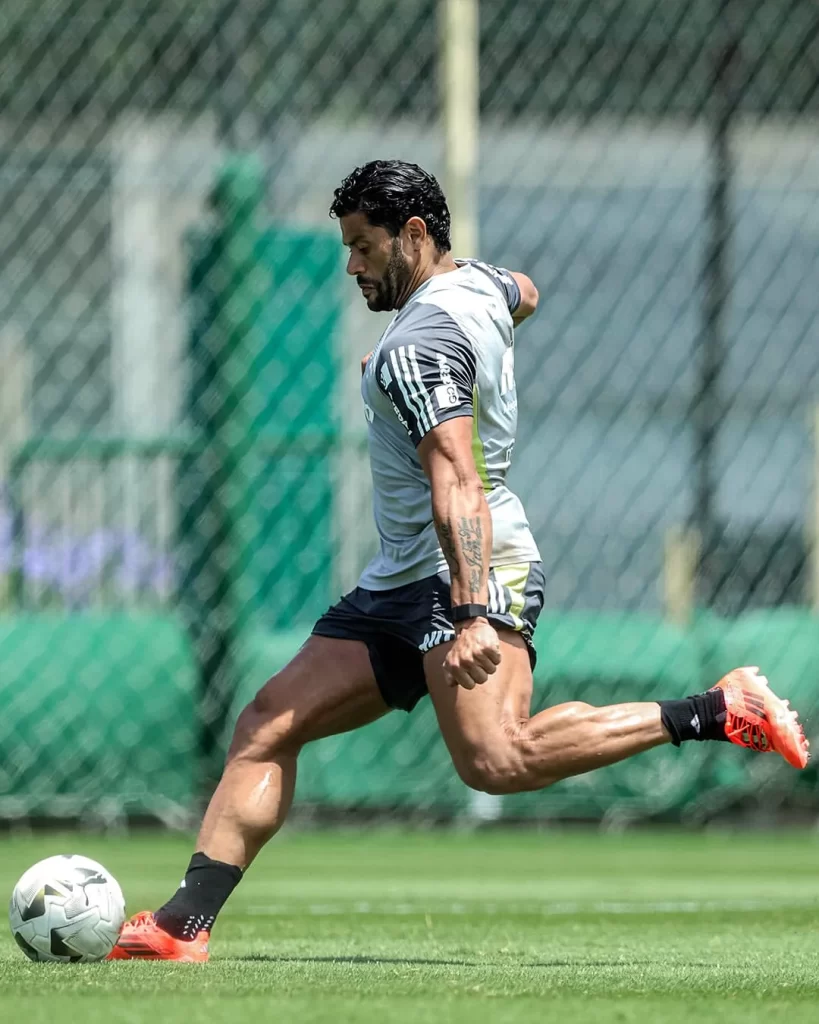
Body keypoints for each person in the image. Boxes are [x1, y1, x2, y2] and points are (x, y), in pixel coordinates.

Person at [109, 160, 809, 962]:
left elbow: (459, 482)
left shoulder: (415, 347)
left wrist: (473, 608)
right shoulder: (476, 284)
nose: (350, 266)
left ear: (413, 235)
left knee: (497, 759)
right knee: (266, 723)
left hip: (465, 564)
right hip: (402, 574)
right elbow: (526, 289)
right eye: (345, 246)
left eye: (363, 246)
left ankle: (718, 710)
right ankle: (180, 925)